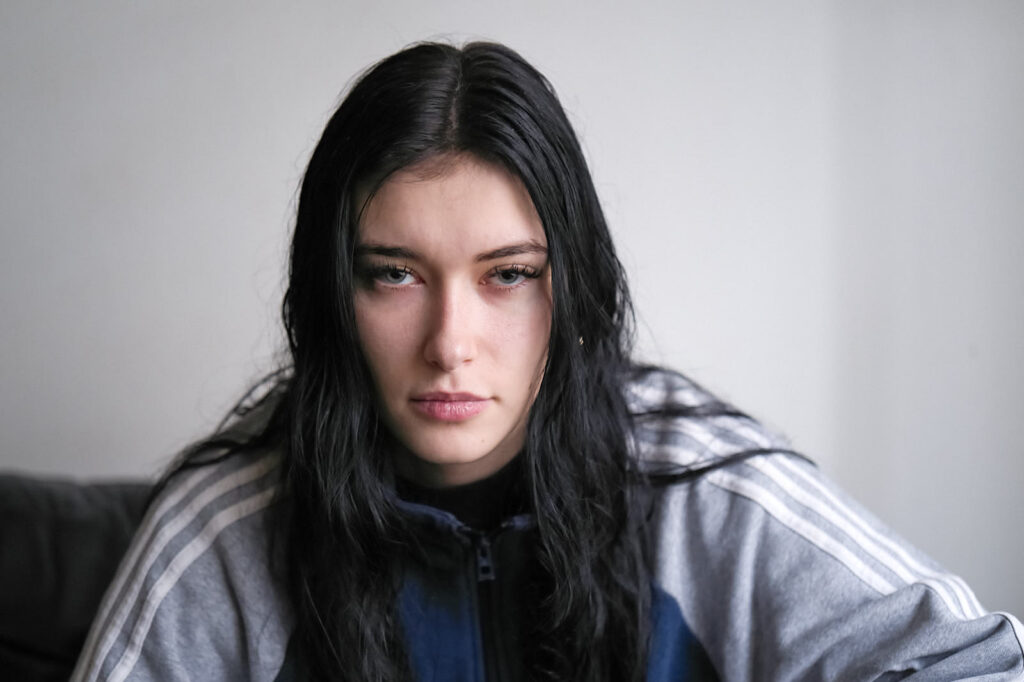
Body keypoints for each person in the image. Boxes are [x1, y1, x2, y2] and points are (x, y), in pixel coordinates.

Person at [72, 41, 1023, 682]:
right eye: (395, 274)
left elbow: (978, 662)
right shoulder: (225, 537)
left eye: (508, 276)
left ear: (571, 287)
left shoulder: (696, 487)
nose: (451, 342)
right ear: (334, 295)